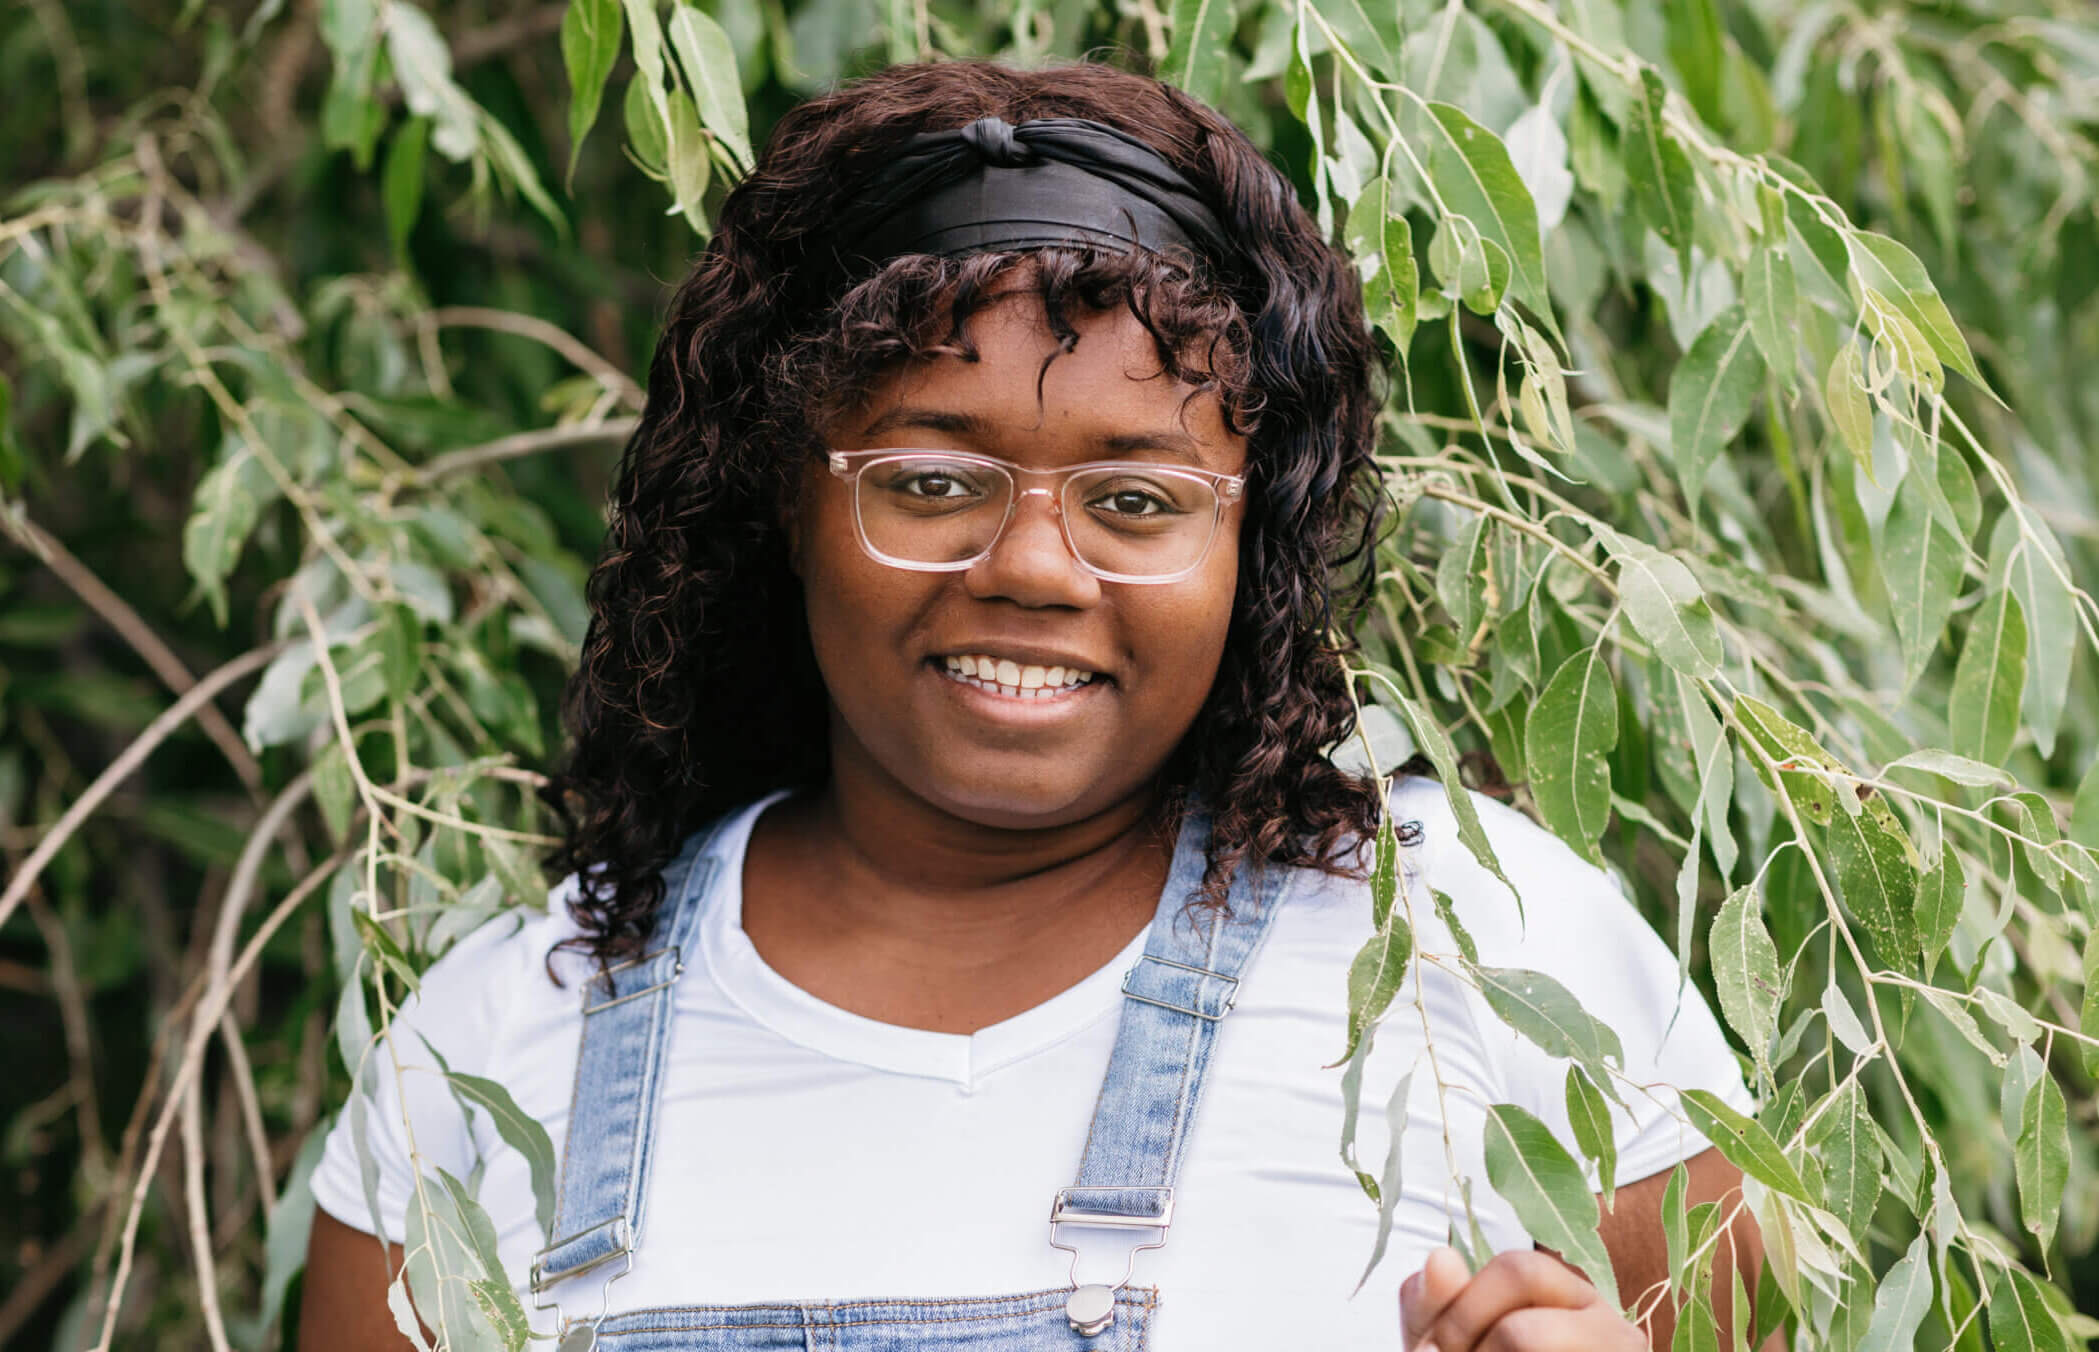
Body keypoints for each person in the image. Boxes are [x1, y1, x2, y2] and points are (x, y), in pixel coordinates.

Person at [299, 59, 1771, 1351]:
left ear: (1247, 546)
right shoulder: (496, 1050)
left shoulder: (1473, 952)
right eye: (930, 481)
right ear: (782, 505)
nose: (1032, 569)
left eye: (1137, 499)